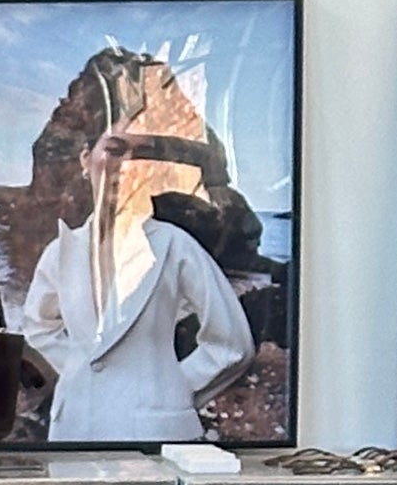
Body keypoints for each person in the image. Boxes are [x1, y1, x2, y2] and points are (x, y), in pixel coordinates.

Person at [16, 130, 255, 444]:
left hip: (155, 434)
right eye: (115, 150)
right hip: (76, 427)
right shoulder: (60, 252)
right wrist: (80, 370)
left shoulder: (175, 245)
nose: (127, 164)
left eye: (140, 155)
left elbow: (232, 343)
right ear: (86, 158)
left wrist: (173, 387)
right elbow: (39, 326)